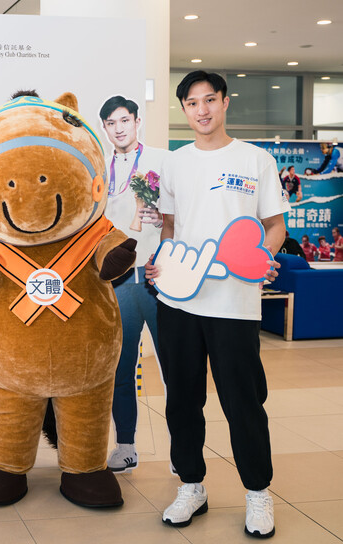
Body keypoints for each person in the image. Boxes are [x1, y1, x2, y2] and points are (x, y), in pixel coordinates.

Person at [146, 71, 288, 538]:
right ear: (183, 109)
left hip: (234, 302)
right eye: (191, 103)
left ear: (225, 102)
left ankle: (258, 493)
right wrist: (160, 263)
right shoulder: (175, 163)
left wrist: (264, 256)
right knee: (183, 401)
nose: (202, 110)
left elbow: (274, 224)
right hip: (179, 301)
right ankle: (192, 486)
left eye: (210, 100)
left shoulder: (256, 159)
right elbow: (169, 226)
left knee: (243, 401)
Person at [99, 95, 166, 473]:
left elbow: (180, 214)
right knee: (120, 369)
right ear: (106, 128)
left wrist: (164, 217)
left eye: (125, 120)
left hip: (158, 281)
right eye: (111, 122)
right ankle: (125, 446)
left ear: (137, 121)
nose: (119, 127)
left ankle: (181, 449)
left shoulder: (161, 160)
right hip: (117, 284)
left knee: (174, 368)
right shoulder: (99, 169)